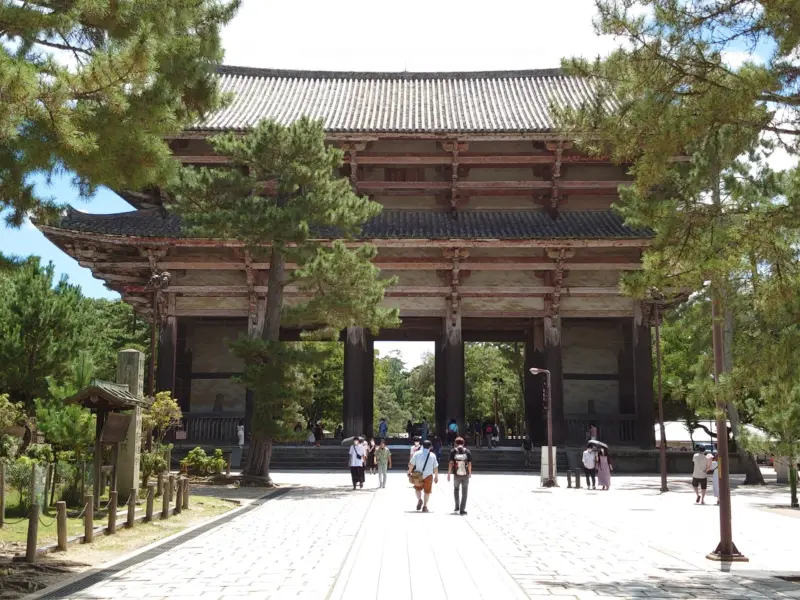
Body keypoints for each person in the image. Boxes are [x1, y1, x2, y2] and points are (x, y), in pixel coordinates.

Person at [408, 439, 439, 512]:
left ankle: (419, 499)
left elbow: (411, 464)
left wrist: (409, 471)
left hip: (418, 475)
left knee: (417, 489)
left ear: (422, 446)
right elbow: (435, 467)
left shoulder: (417, 453)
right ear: (430, 447)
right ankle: (425, 506)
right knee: (427, 492)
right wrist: (436, 476)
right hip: (429, 476)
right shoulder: (433, 455)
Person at [448, 436, 472, 515]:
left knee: (456, 489)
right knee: (465, 492)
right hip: (465, 474)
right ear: (463, 443)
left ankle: (457, 506)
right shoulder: (467, 451)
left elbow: (451, 463)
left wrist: (449, 473)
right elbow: (469, 463)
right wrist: (469, 473)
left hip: (456, 474)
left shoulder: (453, 451)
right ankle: (462, 509)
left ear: (455, 443)